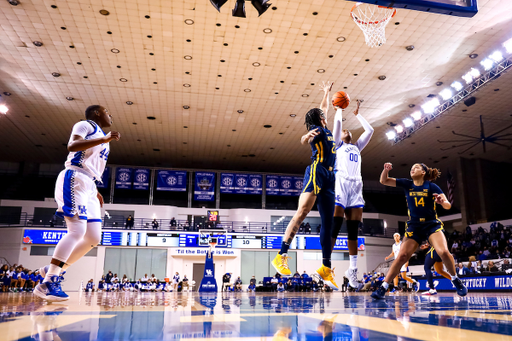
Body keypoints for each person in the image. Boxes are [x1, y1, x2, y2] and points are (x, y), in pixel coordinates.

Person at [34, 105, 120, 302]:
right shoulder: (85, 125)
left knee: (93, 237)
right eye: (108, 111)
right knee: (76, 232)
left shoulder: (100, 135)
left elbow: (90, 164)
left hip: (89, 184)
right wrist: (105, 139)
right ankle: (48, 282)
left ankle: (54, 268)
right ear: (97, 113)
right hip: (74, 178)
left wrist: (94, 189)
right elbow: (72, 146)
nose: (111, 115)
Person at [272, 82, 338, 290]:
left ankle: (325, 268)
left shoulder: (324, 126)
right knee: (302, 212)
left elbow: (324, 108)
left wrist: (326, 93)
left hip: (330, 177)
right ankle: (281, 255)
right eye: (322, 115)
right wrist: (305, 137)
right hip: (316, 171)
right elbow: (304, 139)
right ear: (318, 120)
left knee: (329, 224)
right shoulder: (316, 129)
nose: (325, 115)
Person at [372, 162, 467, 299]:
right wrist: (385, 170)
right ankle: (384, 287)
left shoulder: (431, 186)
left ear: (423, 172)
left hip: (431, 225)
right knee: (402, 256)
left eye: (416, 167)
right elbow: (384, 180)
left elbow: (447, 205)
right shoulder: (407, 184)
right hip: (414, 226)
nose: (413, 169)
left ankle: (455, 279)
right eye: (411, 168)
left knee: (443, 252)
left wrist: (441, 201)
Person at [331, 99, 374, 290]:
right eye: (344, 130)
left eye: (349, 129)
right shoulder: (337, 144)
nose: (346, 130)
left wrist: (358, 115)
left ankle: (353, 270)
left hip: (356, 186)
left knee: (353, 230)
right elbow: (338, 124)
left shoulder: (357, 146)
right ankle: (326, 264)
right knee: (336, 224)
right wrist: (339, 110)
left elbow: (370, 131)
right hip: (341, 183)